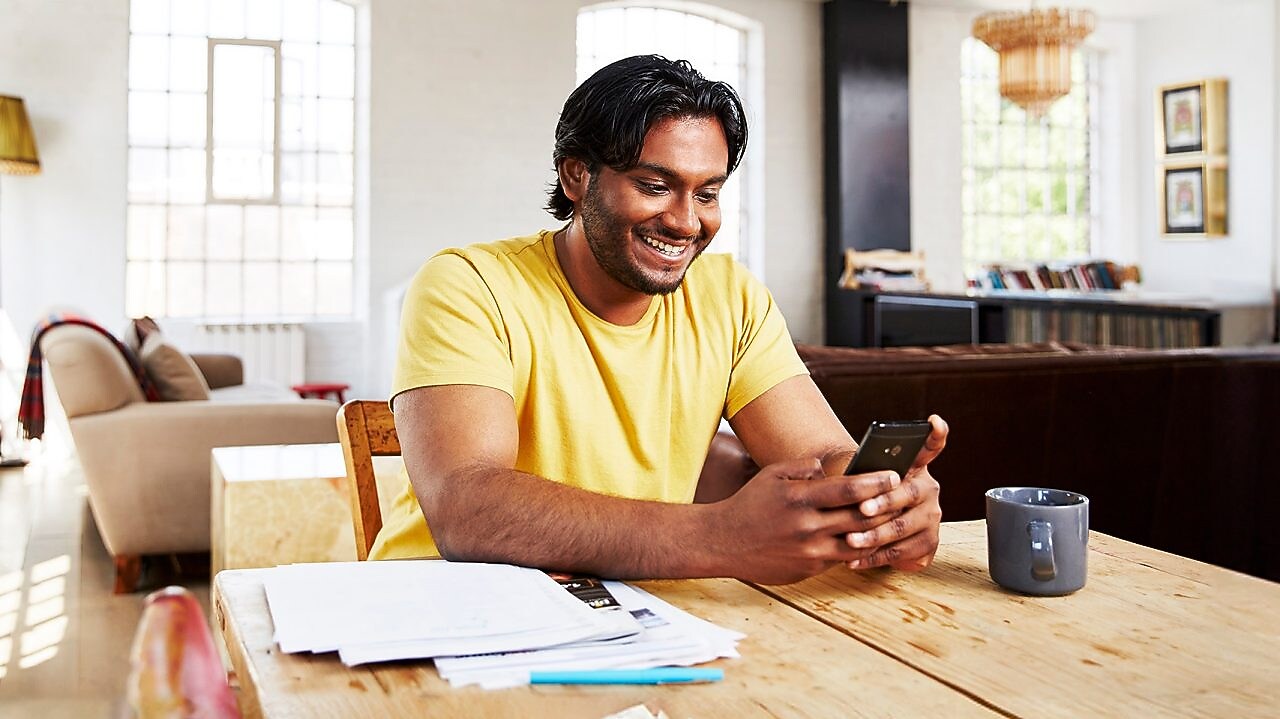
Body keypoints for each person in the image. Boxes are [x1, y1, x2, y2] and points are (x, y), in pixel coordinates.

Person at [370, 55, 947, 585]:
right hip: (442, 608)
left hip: (630, 612)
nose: (684, 221)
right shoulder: (469, 284)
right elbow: (467, 507)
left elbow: (821, 459)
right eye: (654, 186)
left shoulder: (731, 298)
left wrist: (879, 499)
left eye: (707, 193)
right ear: (577, 177)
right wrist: (720, 537)